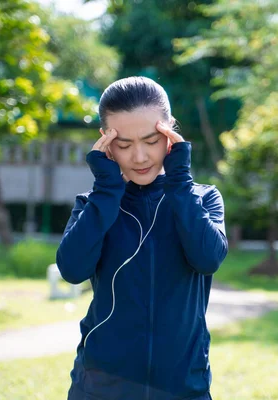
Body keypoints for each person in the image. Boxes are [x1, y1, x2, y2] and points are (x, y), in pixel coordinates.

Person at [56, 76, 228, 400]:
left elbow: (208, 259)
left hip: (183, 389)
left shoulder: (202, 199)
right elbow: (72, 270)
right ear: (105, 141)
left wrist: (180, 181)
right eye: (123, 144)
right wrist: (106, 191)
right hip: (99, 388)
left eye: (151, 140)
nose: (139, 157)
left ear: (170, 132)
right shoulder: (92, 205)